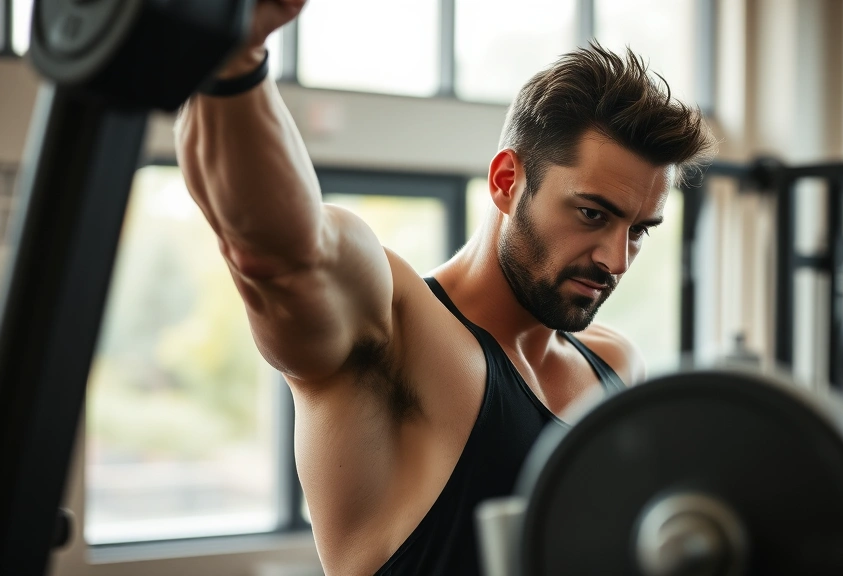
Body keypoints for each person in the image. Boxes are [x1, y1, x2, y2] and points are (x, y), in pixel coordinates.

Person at [175, 1, 716, 574]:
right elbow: (282, 253)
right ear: (508, 182)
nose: (616, 259)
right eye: (591, 214)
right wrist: (238, 56)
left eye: (638, 232)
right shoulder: (397, 329)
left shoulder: (614, 365)